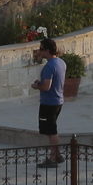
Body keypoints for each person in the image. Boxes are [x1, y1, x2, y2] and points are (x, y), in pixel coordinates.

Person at [31, 38, 66, 167]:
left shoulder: (49, 66)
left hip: (49, 103)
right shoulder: (61, 62)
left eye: (41, 49)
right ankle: (57, 155)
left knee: (51, 131)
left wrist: (36, 86)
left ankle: (53, 158)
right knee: (52, 129)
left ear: (47, 50)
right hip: (58, 100)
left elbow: (46, 87)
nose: (39, 52)